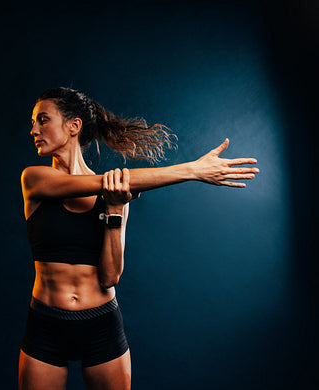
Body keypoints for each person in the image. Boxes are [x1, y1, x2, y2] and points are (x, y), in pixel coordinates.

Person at [19, 87, 259, 390]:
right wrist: (192, 170)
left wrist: (117, 208)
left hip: (100, 325)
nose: (34, 130)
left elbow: (109, 276)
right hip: (46, 324)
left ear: (73, 126)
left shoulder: (114, 194)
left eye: (42, 120)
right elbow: (110, 180)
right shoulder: (36, 179)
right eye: (33, 122)